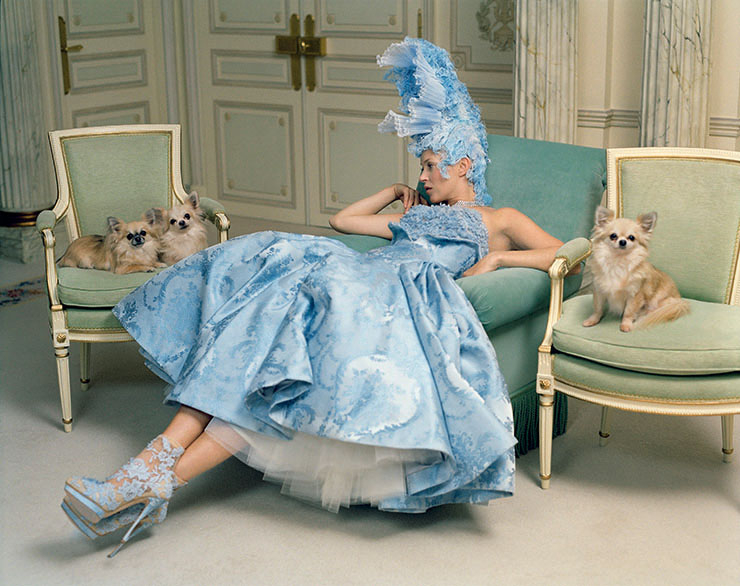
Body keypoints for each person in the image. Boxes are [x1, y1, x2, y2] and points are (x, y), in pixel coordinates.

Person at [60, 38, 565, 557]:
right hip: (362, 274)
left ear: (463, 164)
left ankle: (147, 482)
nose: (422, 176)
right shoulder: (413, 214)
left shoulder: (498, 220)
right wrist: (394, 192)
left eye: (431, 165)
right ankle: (147, 475)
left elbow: (568, 252)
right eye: (420, 166)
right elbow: (343, 221)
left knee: (274, 356)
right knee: (261, 317)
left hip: (393, 293)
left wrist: (500, 260)